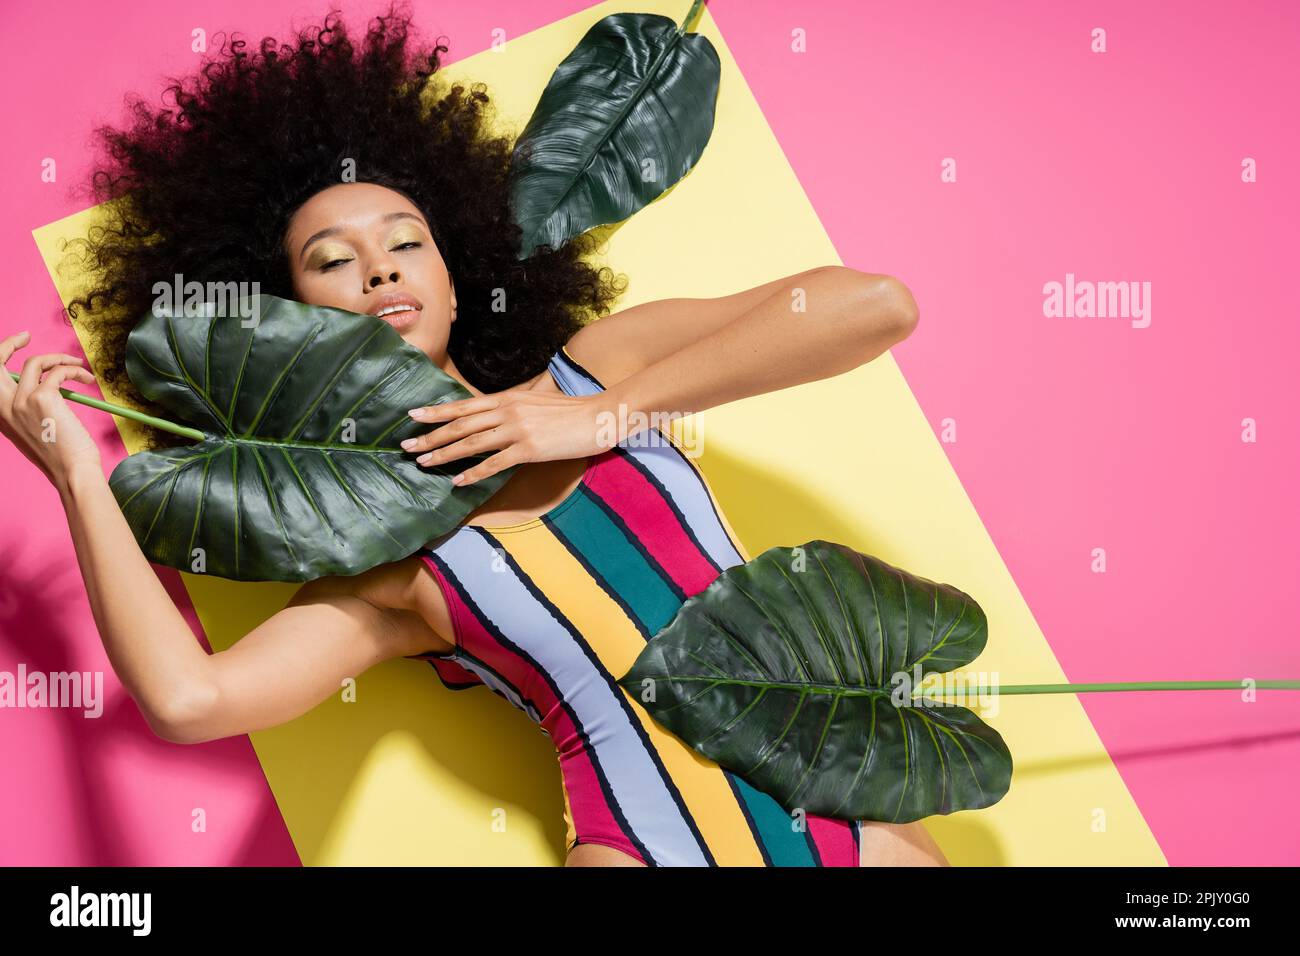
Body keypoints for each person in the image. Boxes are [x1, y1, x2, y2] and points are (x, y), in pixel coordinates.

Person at [0, 6, 944, 867]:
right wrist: (77, 473)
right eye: (330, 262)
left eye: (406, 242)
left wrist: (592, 416)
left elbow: (870, 307)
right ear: (289, 324)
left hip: (861, 827)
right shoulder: (389, 566)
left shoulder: (603, 368)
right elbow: (187, 702)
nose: (377, 270)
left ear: (457, 279)